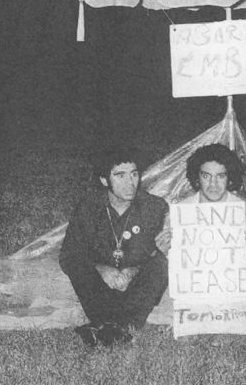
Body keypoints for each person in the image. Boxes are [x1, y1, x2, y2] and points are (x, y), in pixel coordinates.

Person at [60, 148, 169, 346]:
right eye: (120, 176)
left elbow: (152, 252)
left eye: (134, 174)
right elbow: (69, 254)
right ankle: (119, 327)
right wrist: (101, 269)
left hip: (135, 285)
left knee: (161, 265)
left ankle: (108, 328)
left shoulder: (154, 207)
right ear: (104, 180)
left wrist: (134, 270)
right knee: (78, 266)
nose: (131, 182)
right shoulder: (89, 207)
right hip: (100, 284)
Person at [155, 143, 246, 265]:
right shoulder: (180, 212)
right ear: (197, 178)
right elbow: (173, 265)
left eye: (220, 176)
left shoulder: (245, 210)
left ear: (230, 178)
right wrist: (163, 252)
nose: (213, 184)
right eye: (206, 176)